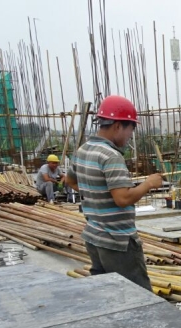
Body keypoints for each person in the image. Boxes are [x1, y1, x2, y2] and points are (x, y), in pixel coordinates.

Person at [66, 95, 163, 291]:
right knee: (138, 296)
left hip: (94, 237)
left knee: (107, 292)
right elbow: (122, 198)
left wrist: (96, 193)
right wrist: (148, 184)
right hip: (117, 241)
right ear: (118, 126)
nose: (129, 137)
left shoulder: (83, 150)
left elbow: (70, 181)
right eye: (130, 130)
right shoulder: (111, 156)